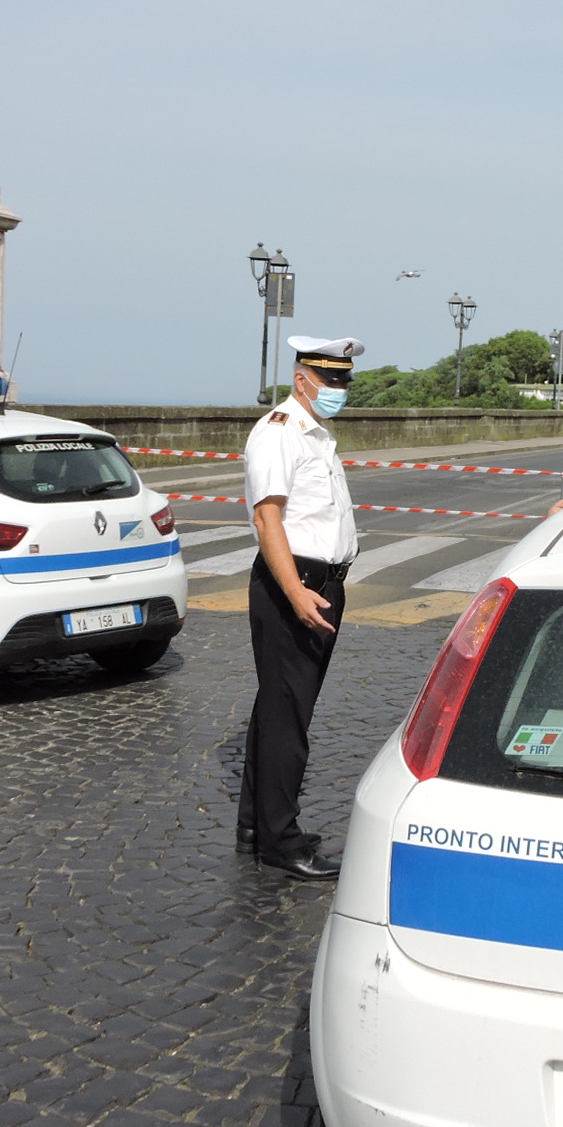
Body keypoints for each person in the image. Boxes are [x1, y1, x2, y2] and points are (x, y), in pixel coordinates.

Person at [237, 335, 364, 880]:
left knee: (277, 708)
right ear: (302, 379)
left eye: (344, 380)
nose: (338, 388)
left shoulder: (317, 435)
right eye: (329, 379)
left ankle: (256, 825)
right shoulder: (280, 433)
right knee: (290, 718)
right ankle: (282, 843)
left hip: (319, 583)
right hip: (297, 586)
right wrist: (295, 594)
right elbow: (269, 521)